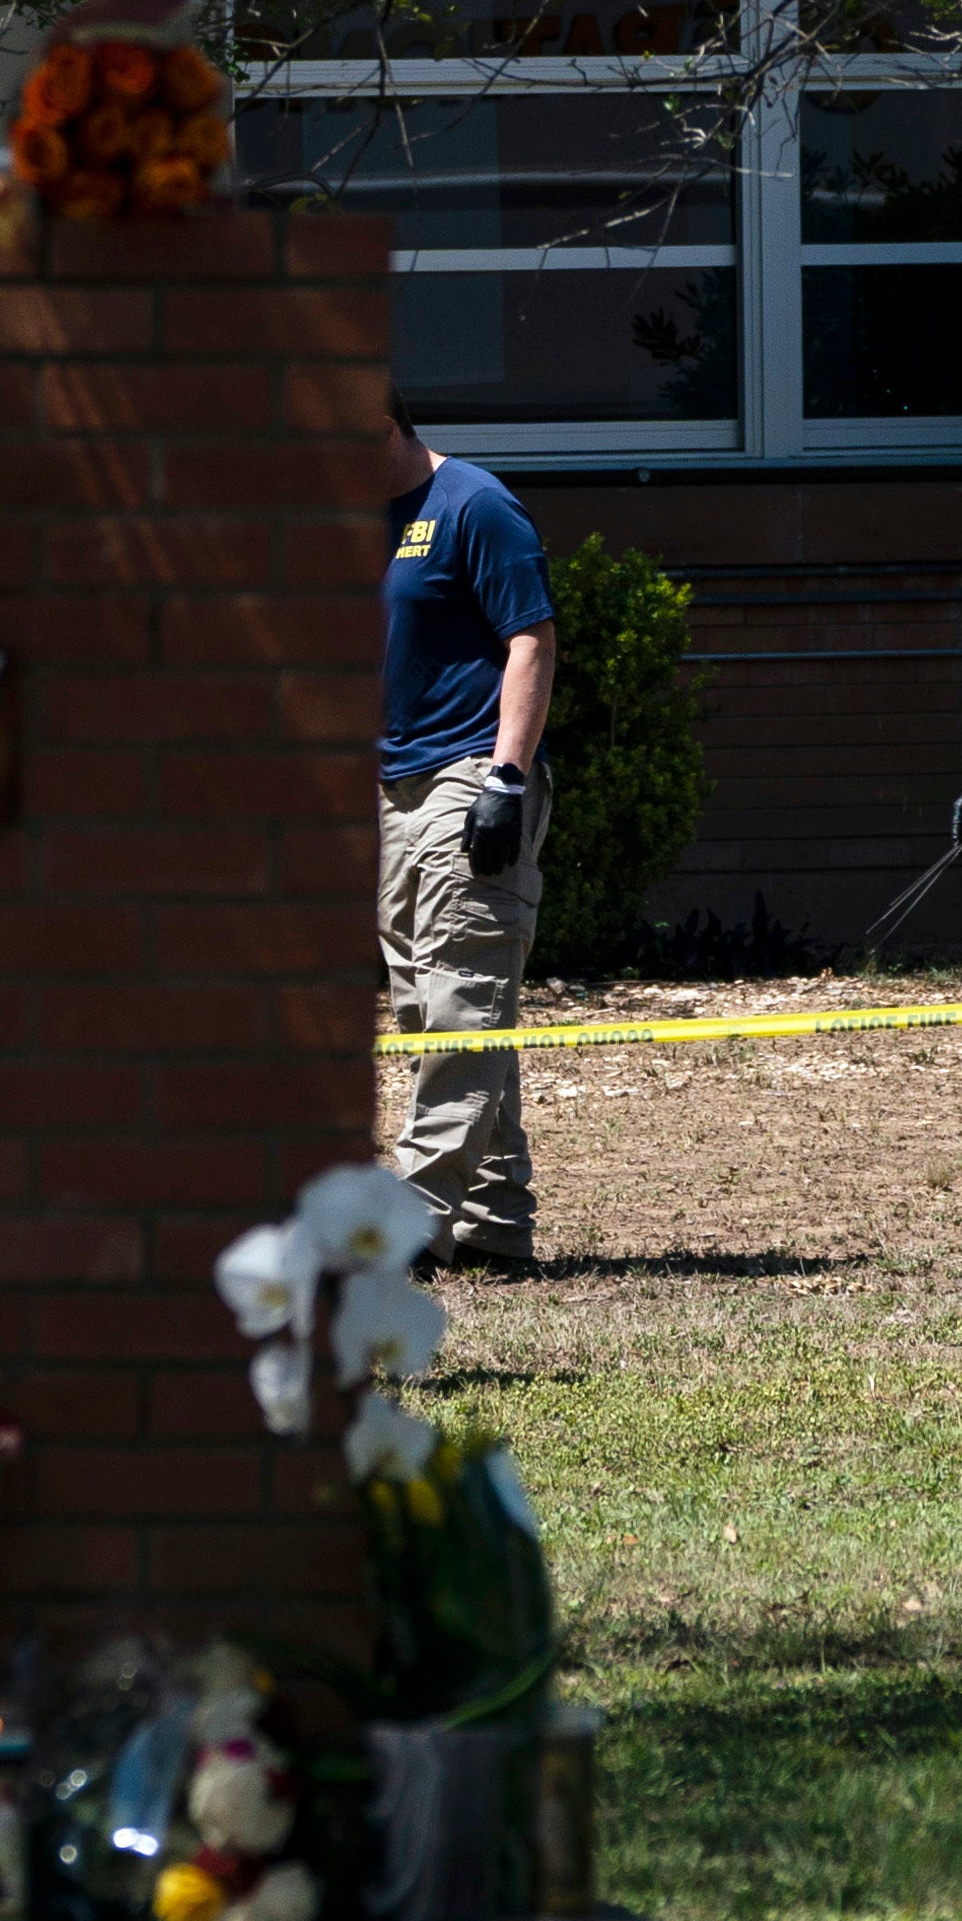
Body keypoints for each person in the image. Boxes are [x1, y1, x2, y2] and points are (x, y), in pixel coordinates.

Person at [378, 400, 558, 1272]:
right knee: (435, 1005)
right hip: (391, 788)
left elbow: (532, 638)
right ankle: (494, 1219)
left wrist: (507, 776)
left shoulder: (473, 503)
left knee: (461, 997)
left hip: (469, 772)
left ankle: (407, 1227)